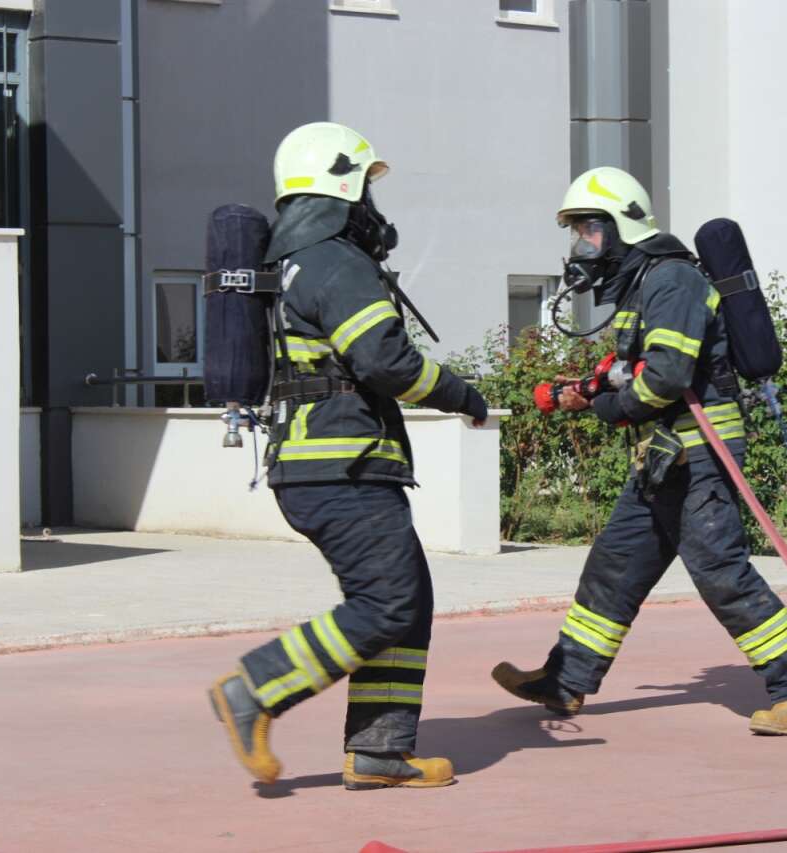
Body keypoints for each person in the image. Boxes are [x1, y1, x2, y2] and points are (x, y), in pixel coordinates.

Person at [492, 167, 787, 735]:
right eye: (576, 233)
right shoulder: (643, 285)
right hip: (663, 458)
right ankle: (565, 681)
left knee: (720, 573)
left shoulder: (672, 280)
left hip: (699, 455)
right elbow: (634, 369)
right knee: (614, 567)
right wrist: (591, 388)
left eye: (589, 231)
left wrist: (607, 408)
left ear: (620, 226)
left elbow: (667, 377)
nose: (581, 246)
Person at [208, 122, 489, 790]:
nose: (371, 204)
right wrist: (461, 394)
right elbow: (386, 361)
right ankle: (254, 688)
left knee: (406, 599)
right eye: (365, 188)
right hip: (343, 467)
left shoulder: (296, 262)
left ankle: (379, 750)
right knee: (388, 602)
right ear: (342, 190)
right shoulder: (335, 262)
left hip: (321, 463)